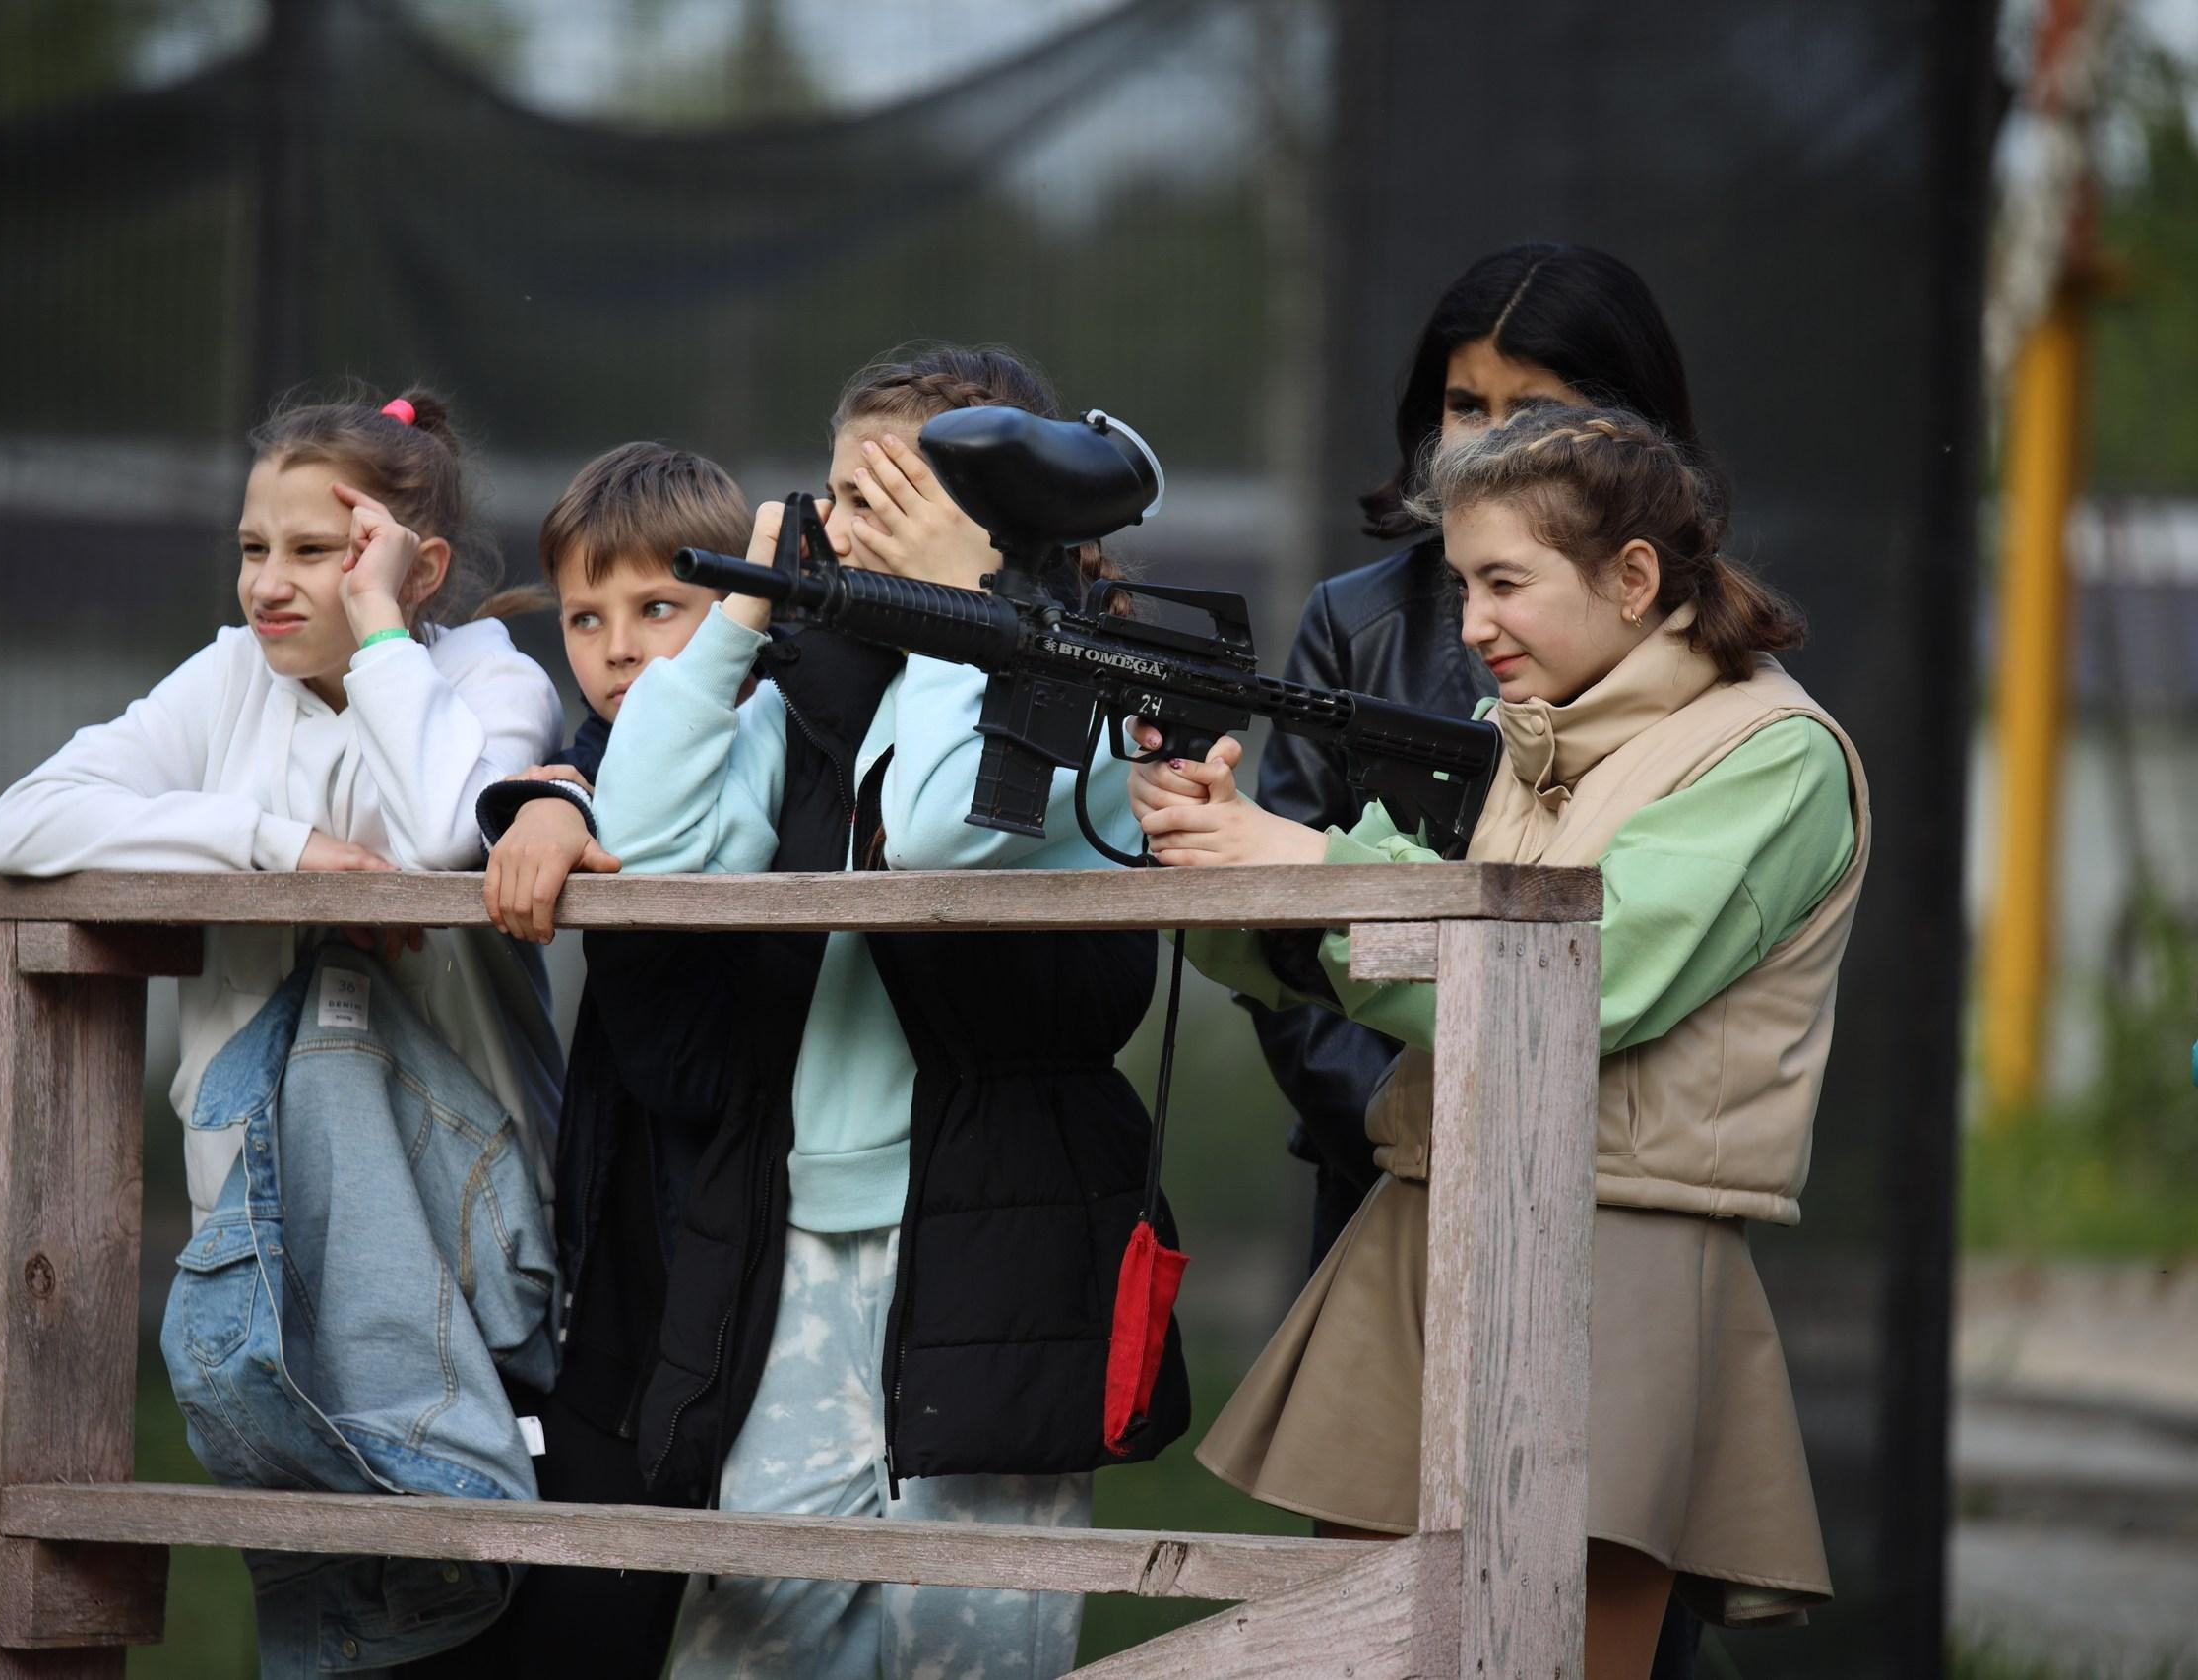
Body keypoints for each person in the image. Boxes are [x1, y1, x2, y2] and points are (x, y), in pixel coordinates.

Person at [1133, 404, 1866, 1680]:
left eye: (1503, 582)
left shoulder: (1776, 753)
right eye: (1462, 582)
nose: (1469, 624)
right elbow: (1425, 984)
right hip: (1431, 1213)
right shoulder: (1540, 738)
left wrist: (1310, 857)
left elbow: (1587, 981)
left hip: (1617, 1249)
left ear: (1633, 578)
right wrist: (1232, 869)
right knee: (1345, 1652)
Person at [591, 344, 1189, 1680]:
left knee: (967, 1639)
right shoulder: (816, 688)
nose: (854, 528)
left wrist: (957, 603)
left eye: (900, 496)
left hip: (999, 1235)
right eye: (840, 493)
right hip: (804, 1232)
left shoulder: (1069, 680)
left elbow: (937, 829)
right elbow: (640, 838)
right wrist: (744, 611)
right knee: (753, 1622)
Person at [0, 386, 565, 1230]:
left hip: (473, 1213)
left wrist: (378, 627)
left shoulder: (495, 682)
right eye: (255, 547)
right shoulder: (228, 676)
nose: (267, 584)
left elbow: (444, 836)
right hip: (255, 1222)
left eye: (316, 549)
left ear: (418, 568)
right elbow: (25, 819)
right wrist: (276, 845)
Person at [1258, 241, 1707, 1274]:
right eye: (1466, 404)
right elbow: (1277, 942)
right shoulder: (1355, 622)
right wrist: (1389, 1123)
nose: (1487, 439)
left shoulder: (1700, 650)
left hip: (1615, 1188)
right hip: (1376, 1180)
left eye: (1533, 408)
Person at [409, 441, 751, 1680]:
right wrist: (545, 802)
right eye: (586, 617)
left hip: (751, 1243)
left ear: (740, 617)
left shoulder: (764, 744)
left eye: (660, 607)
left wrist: (565, 801)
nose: (616, 647)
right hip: (619, 1248)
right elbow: (557, 789)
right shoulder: (590, 756)